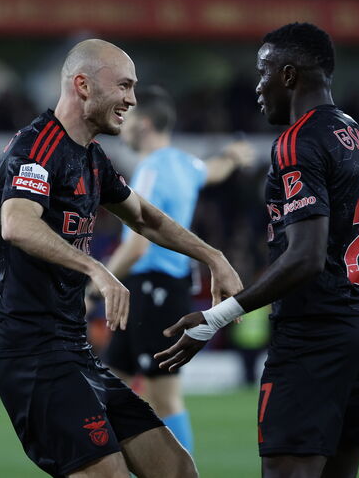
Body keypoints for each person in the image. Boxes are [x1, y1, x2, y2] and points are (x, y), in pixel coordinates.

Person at [0, 38, 244, 478]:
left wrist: (213, 256)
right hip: (32, 354)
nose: (132, 99)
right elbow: (16, 223)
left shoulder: (91, 157)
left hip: (74, 351)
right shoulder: (37, 148)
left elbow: (144, 216)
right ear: (83, 85)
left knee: (177, 469)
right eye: (124, 86)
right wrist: (97, 270)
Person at [156, 23, 359, 478]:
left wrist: (215, 318)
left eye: (263, 73)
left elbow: (304, 256)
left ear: (288, 75)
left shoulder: (296, 141)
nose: (257, 86)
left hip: (314, 335)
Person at [103, 85, 254, 455]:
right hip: (160, 289)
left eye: (131, 117)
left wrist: (97, 280)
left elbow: (137, 245)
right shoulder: (186, 164)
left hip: (153, 287)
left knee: (164, 398)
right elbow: (215, 170)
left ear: (146, 124)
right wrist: (233, 156)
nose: (123, 125)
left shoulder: (150, 171)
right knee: (111, 389)